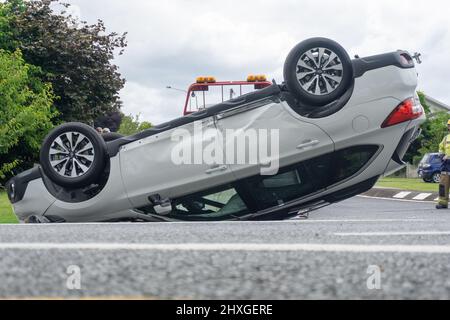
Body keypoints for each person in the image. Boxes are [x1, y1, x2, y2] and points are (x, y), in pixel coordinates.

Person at [436, 120, 450, 209]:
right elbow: (441, 147)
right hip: (446, 164)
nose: (449, 127)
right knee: (443, 184)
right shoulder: (446, 138)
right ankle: (442, 202)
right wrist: (441, 155)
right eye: (448, 125)